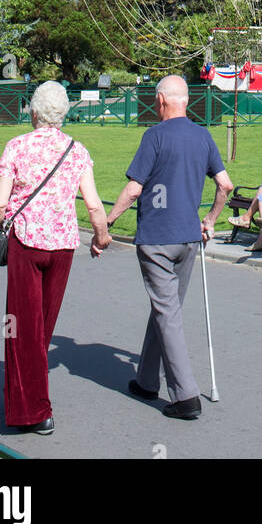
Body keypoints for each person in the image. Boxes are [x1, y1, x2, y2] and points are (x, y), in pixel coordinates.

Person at [106, 75, 232, 419]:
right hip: (189, 239)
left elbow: (134, 190)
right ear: (187, 101)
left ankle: (186, 397)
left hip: (157, 239)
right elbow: (225, 184)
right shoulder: (203, 135)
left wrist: (108, 221)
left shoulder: (155, 136)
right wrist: (210, 220)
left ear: (161, 101)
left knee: (167, 312)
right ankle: (147, 380)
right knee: (166, 308)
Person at [0, 80, 111, 434]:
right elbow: (93, 203)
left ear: (34, 112)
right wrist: (101, 236)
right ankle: (23, 393)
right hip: (62, 247)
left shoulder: (16, 147)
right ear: (63, 114)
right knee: (41, 327)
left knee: (19, 326)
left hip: (26, 244)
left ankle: (32, 408)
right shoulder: (76, 150)